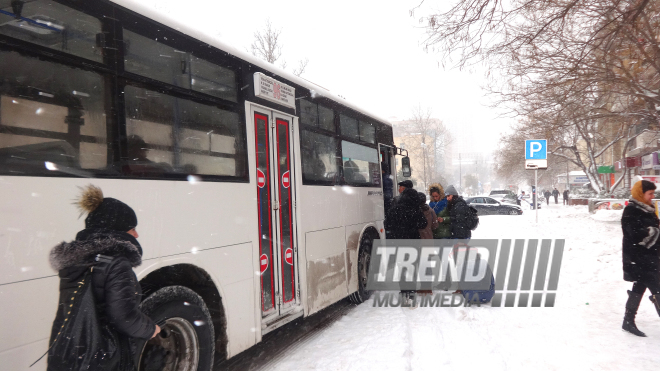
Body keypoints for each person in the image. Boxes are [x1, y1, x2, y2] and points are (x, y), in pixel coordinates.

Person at [48, 185, 160, 369]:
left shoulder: (76, 260)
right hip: (102, 355)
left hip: (70, 349)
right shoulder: (116, 263)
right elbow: (124, 318)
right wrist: (151, 329)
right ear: (116, 230)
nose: (137, 234)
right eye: (132, 228)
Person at [620, 180, 660, 337]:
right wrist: (655, 232)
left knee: (639, 287)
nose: (652, 196)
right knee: (657, 289)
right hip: (639, 259)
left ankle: (628, 321)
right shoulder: (631, 210)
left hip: (649, 258)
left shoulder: (648, 209)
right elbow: (633, 234)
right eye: (649, 193)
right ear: (640, 193)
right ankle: (628, 321)